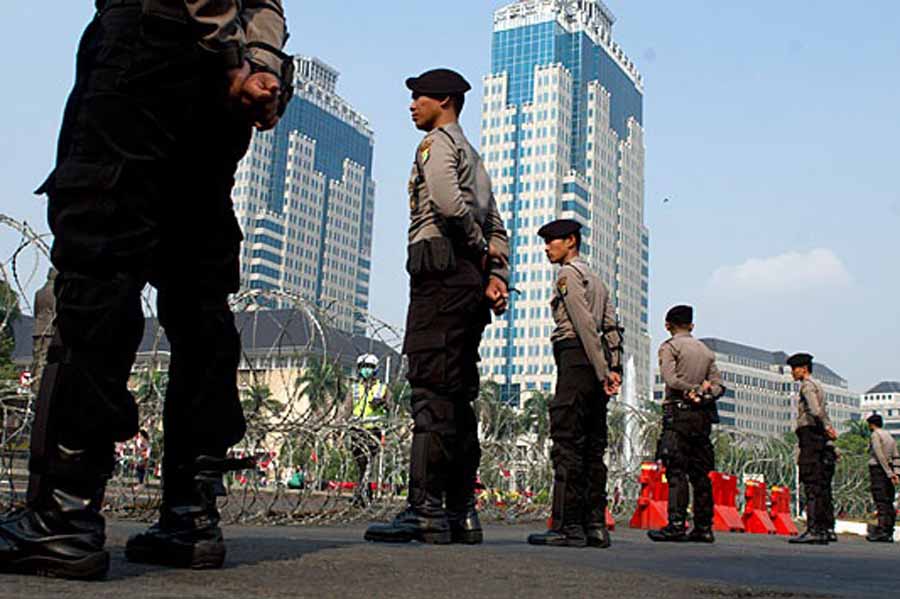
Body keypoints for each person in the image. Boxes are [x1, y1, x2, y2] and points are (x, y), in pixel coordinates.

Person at [0, 0, 291, 580]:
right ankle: (191, 516)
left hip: (153, 43)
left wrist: (215, 36)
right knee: (198, 288)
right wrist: (259, 62)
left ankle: (63, 515)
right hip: (228, 82)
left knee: (101, 254)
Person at [365, 68, 510, 546]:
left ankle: (424, 510)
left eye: (419, 97)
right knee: (458, 395)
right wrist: (494, 275)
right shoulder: (477, 158)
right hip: (467, 284)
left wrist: (472, 248)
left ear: (444, 100)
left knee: (429, 389)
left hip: (441, 274)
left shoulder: (439, 145)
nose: (412, 105)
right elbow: (498, 228)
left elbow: (448, 206)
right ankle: (460, 512)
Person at [526, 219, 623, 549]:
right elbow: (612, 328)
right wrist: (614, 368)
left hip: (576, 358)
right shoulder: (598, 280)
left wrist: (600, 369)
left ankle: (567, 526)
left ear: (571, 241)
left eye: (552, 241)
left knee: (567, 441)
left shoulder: (568, 274)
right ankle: (594, 525)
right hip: (596, 367)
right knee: (593, 445)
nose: (546, 247)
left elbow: (583, 324)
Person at [648, 305, 725, 544]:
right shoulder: (705, 351)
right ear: (691, 326)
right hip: (701, 417)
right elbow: (718, 385)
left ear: (668, 325)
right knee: (700, 473)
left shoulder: (670, 347)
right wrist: (704, 394)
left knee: (676, 470)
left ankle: (676, 524)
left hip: (678, 415)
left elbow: (670, 379)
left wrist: (689, 390)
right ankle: (703, 526)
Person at [786, 352, 837, 545]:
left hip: (810, 436)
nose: (792, 372)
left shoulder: (807, 387)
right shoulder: (818, 385)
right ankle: (824, 529)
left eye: (794, 369)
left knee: (811, 482)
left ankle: (814, 529)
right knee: (821, 485)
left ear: (803, 369)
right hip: (819, 438)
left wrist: (825, 427)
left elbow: (815, 411)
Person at [349, 354, 390, 505]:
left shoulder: (382, 388)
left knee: (367, 463)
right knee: (360, 462)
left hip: (373, 430)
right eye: (364, 367)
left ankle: (362, 494)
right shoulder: (354, 388)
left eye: (370, 367)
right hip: (356, 429)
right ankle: (364, 493)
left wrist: (382, 403)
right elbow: (346, 408)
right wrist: (338, 426)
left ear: (375, 369)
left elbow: (390, 407)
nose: (367, 370)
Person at [865, 414, 899, 543]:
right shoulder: (889, 436)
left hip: (879, 470)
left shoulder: (875, 435)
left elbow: (879, 455)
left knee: (881, 501)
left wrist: (888, 473)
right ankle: (889, 530)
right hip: (889, 468)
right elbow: (896, 455)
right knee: (888, 500)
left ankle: (882, 530)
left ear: (871, 424)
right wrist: (895, 473)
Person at [30, 268, 57, 395]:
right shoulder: (55, 293)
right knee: (44, 358)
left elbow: (36, 311)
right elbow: (56, 312)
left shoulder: (38, 293)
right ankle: (40, 384)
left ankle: (34, 384)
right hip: (49, 329)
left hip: (38, 328)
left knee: (36, 357)